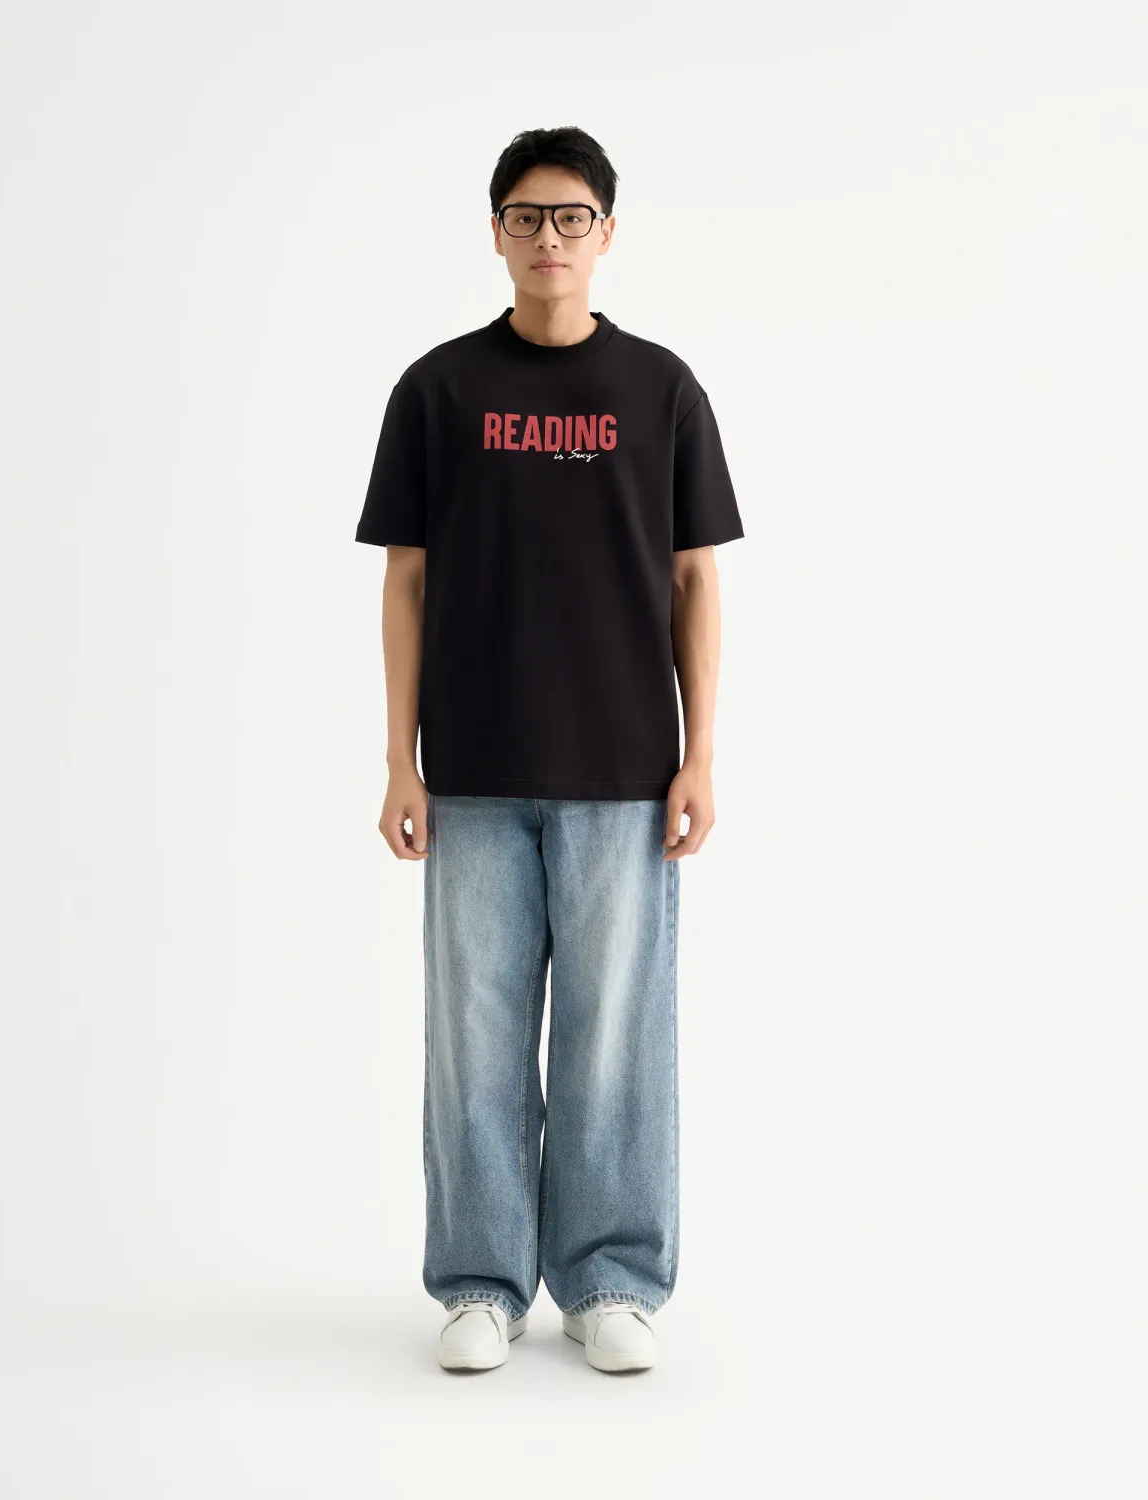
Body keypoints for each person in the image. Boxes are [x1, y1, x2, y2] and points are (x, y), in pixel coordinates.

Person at [354, 126, 743, 1374]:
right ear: (496, 233)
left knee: (614, 1038)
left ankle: (611, 1279)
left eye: (572, 216)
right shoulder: (438, 391)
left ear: (607, 233)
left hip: (624, 772)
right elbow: (406, 581)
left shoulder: (662, 391)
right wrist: (401, 759)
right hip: (471, 770)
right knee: (473, 1037)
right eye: (526, 216)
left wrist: (701, 754)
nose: (549, 238)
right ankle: (479, 1283)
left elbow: (695, 579)